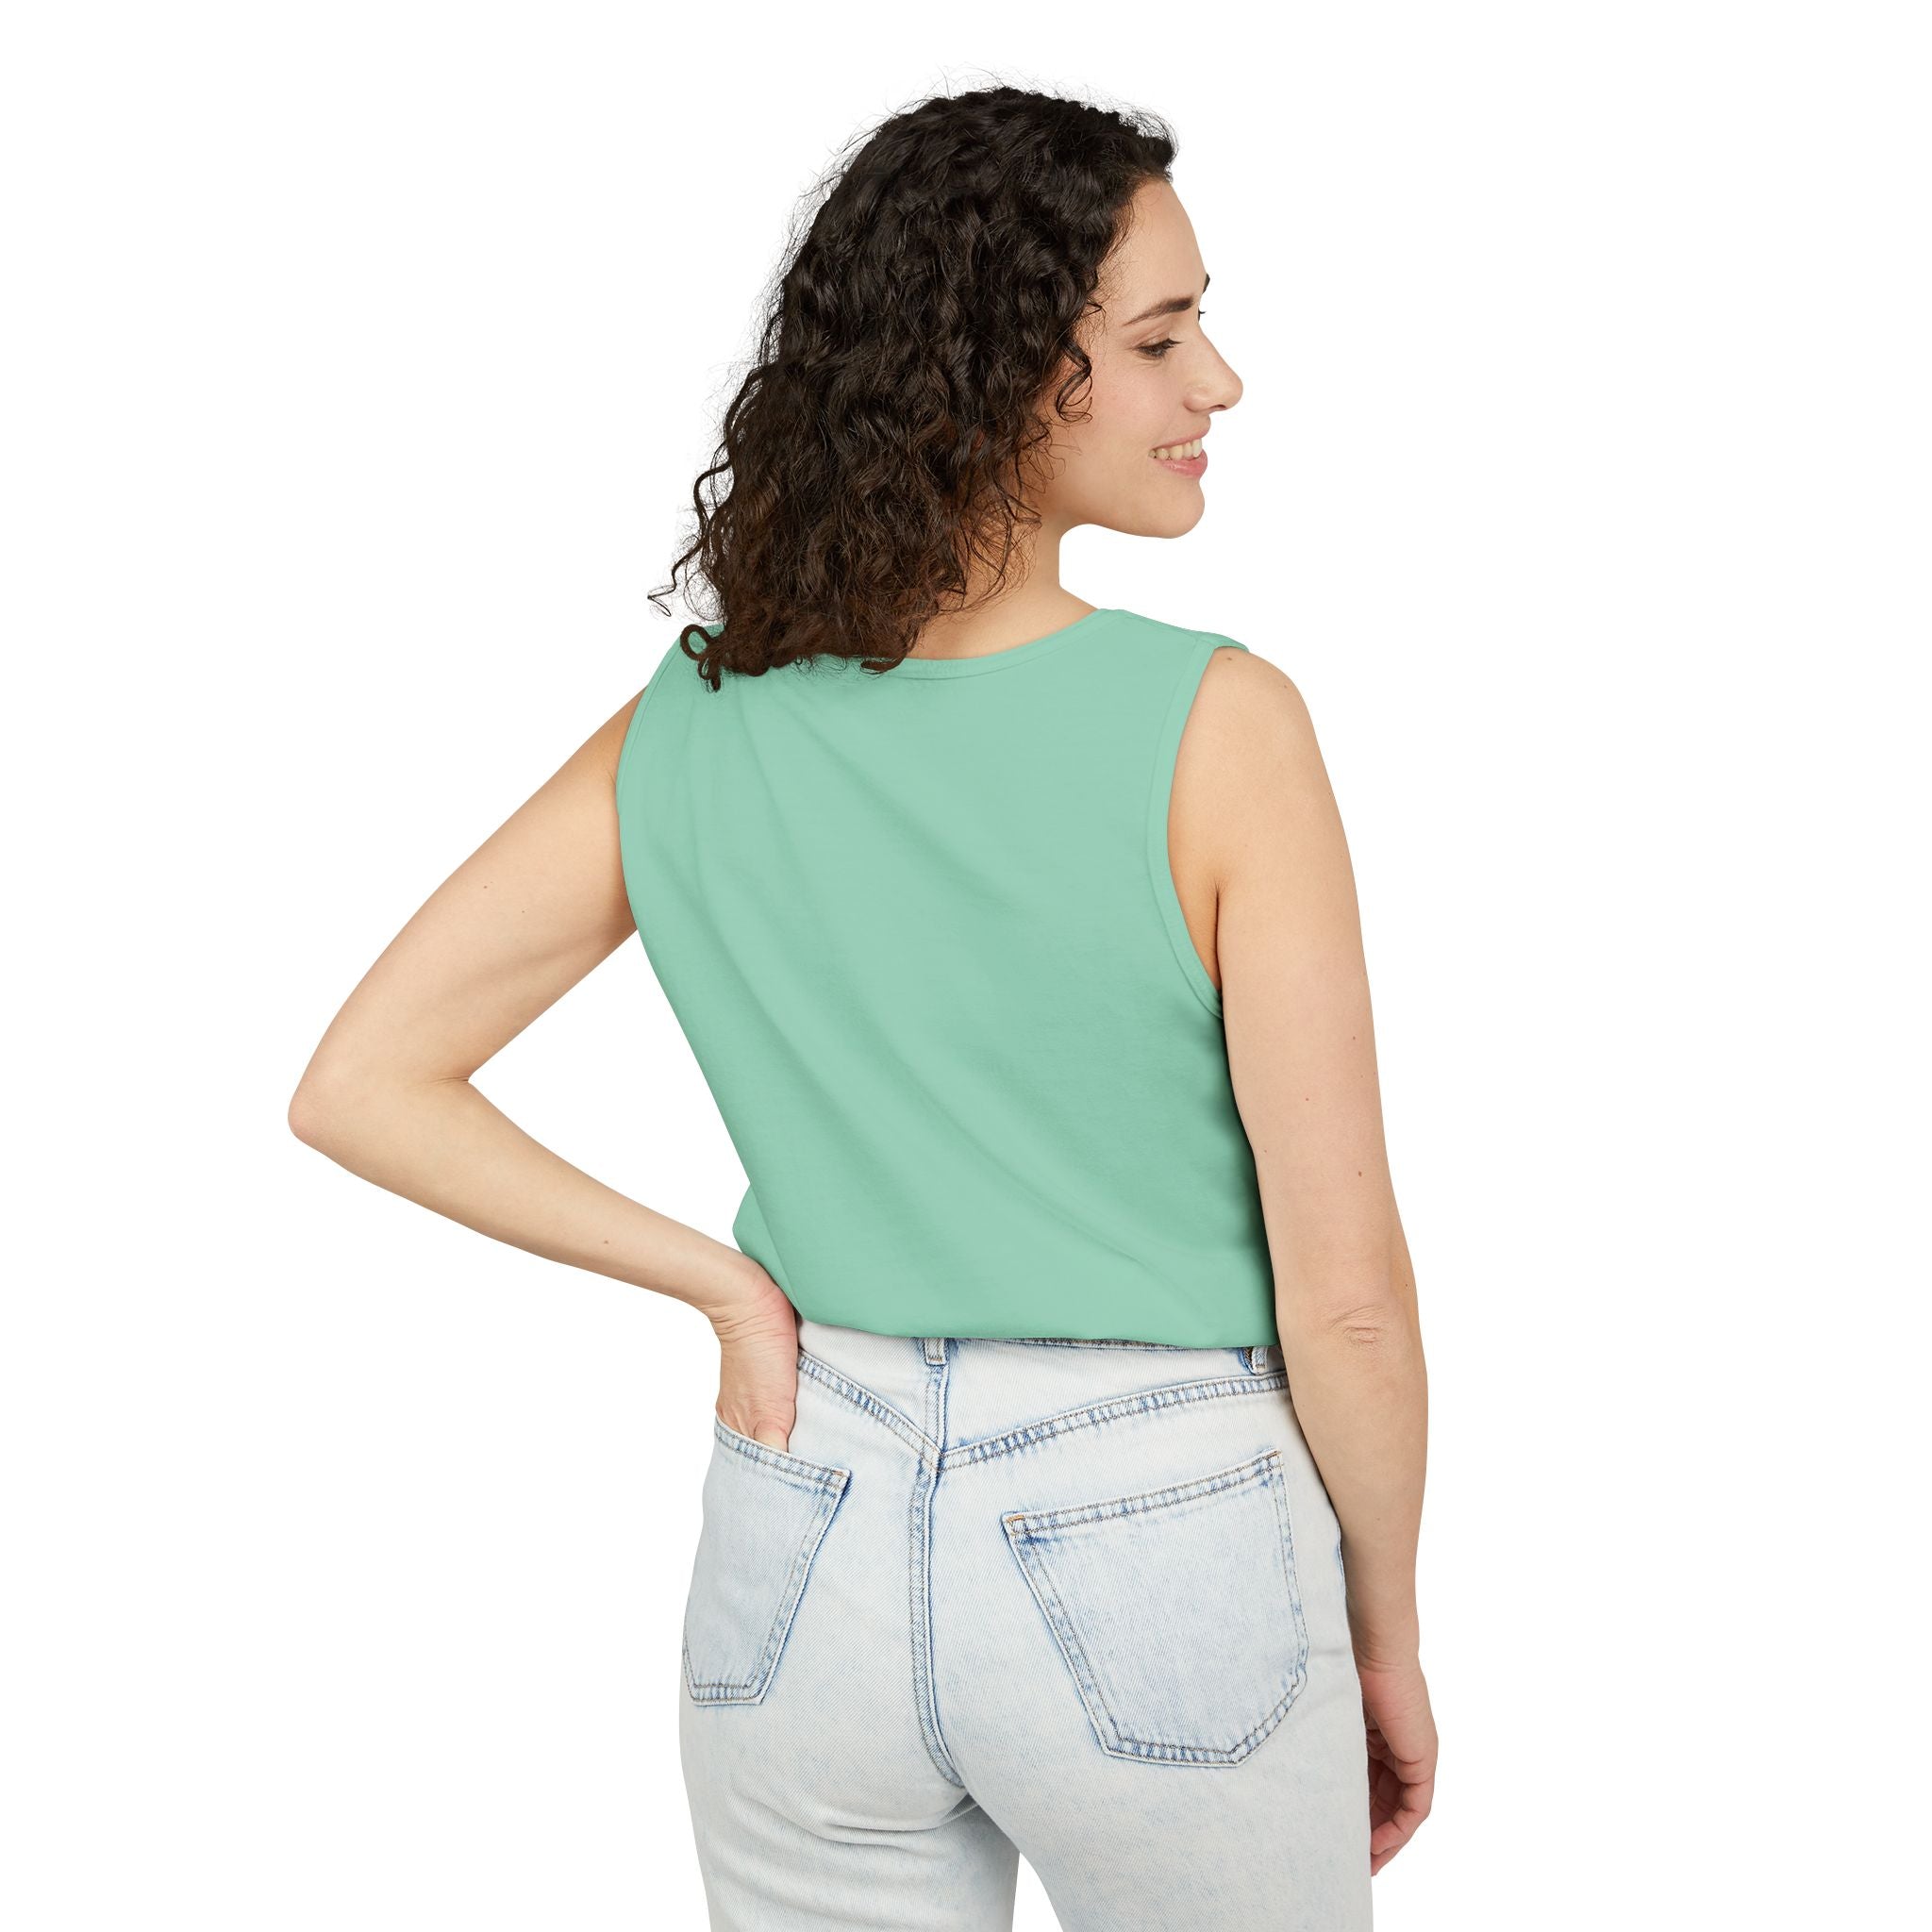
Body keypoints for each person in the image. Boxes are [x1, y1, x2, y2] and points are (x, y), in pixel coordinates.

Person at [291, 84, 1435, 1932]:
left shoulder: (696, 720)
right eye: (1156, 339)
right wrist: (1377, 1623)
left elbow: (362, 1079)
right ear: (994, 374)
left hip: (799, 1518)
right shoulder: (1220, 729)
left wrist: (731, 1288)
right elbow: (1351, 1305)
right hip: (1166, 1532)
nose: (1215, 381)